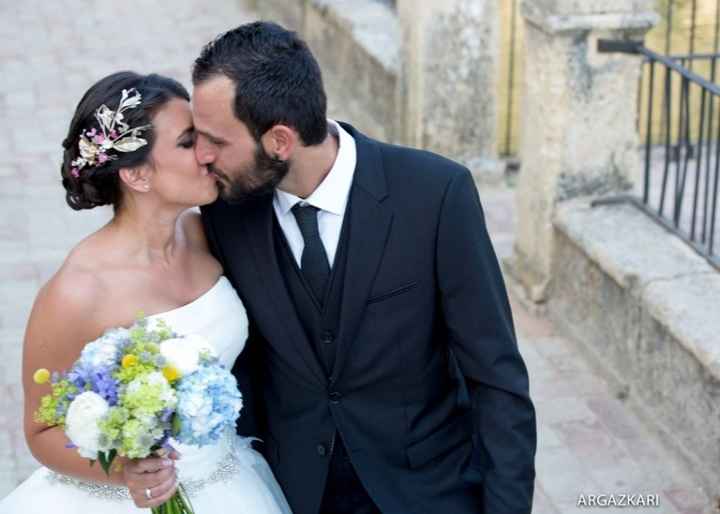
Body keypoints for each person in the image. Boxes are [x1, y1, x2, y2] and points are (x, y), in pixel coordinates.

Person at [129, 21, 537, 514]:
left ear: (280, 140)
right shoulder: (226, 213)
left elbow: (496, 378)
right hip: (292, 495)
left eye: (217, 140)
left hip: (428, 491)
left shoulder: (435, 194)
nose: (203, 155)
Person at [0, 71, 292, 514]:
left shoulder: (202, 233)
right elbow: (41, 433)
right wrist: (124, 470)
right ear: (136, 173)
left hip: (229, 479)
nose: (207, 153)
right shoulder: (77, 291)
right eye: (187, 141)